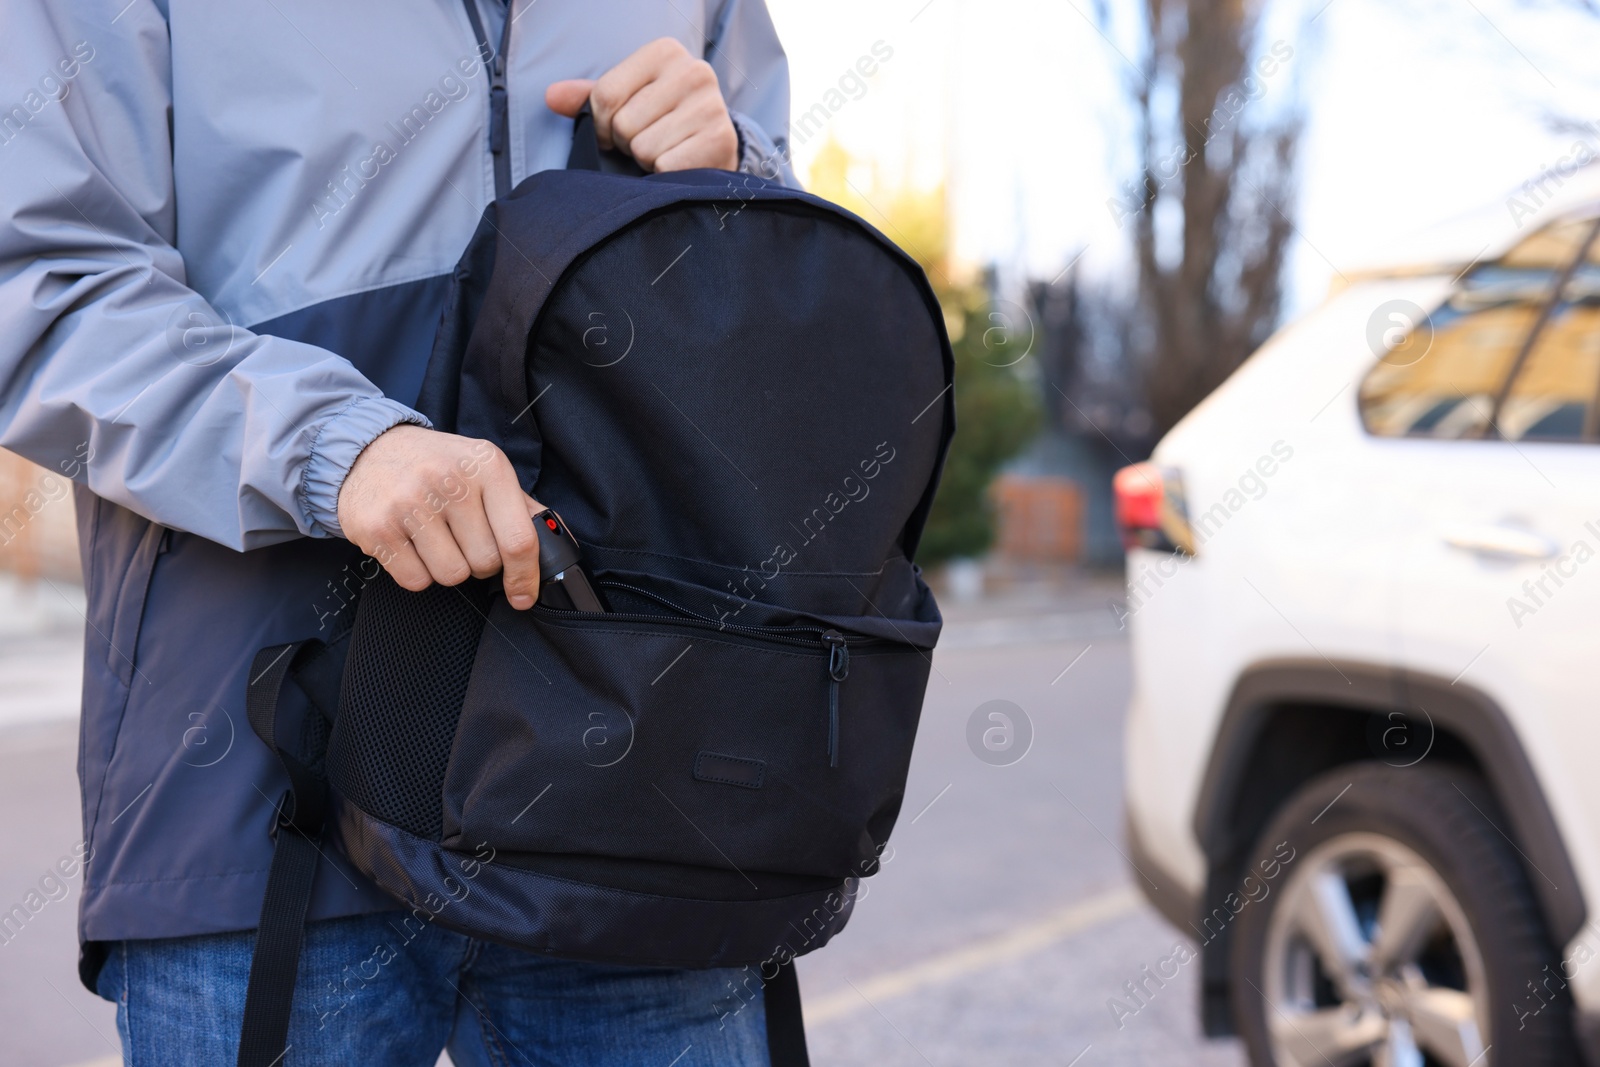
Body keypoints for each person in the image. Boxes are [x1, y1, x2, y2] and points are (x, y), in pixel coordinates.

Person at [0, 1, 795, 1062]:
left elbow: (787, 289)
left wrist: (734, 168)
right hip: (262, 781)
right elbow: (38, 283)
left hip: (634, 793)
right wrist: (332, 445)